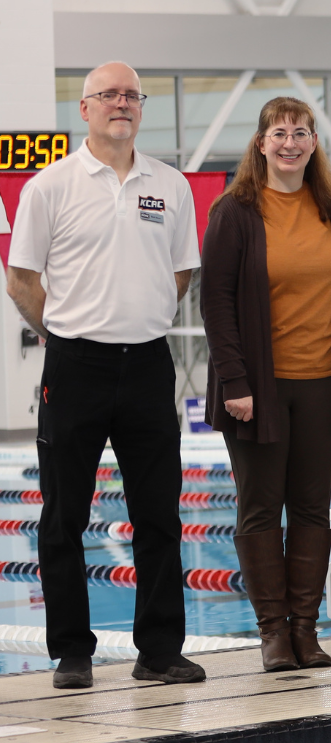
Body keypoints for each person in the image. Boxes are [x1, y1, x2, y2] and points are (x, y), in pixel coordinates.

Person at [3, 62, 204, 690]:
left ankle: (159, 651)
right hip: (75, 365)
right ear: (85, 109)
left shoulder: (169, 185)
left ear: (141, 108)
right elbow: (22, 278)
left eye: (131, 96)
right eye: (108, 95)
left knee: (159, 514)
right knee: (65, 514)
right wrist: (65, 329)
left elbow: (181, 273)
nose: (121, 103)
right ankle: (71, 653)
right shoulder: (50, 186)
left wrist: (141, 315)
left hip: (146, 363)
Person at [201, 96, 331, 672]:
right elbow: (215, 303)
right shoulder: (236, 210)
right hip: (258, 390)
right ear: (261, 143)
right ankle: (272, 632)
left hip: (324, 380)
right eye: (279, 132)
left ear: (313, 143)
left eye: (300, 132)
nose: (290, 142)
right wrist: (234, 381)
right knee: (261, 507)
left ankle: (305, 628)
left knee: (314, 508)